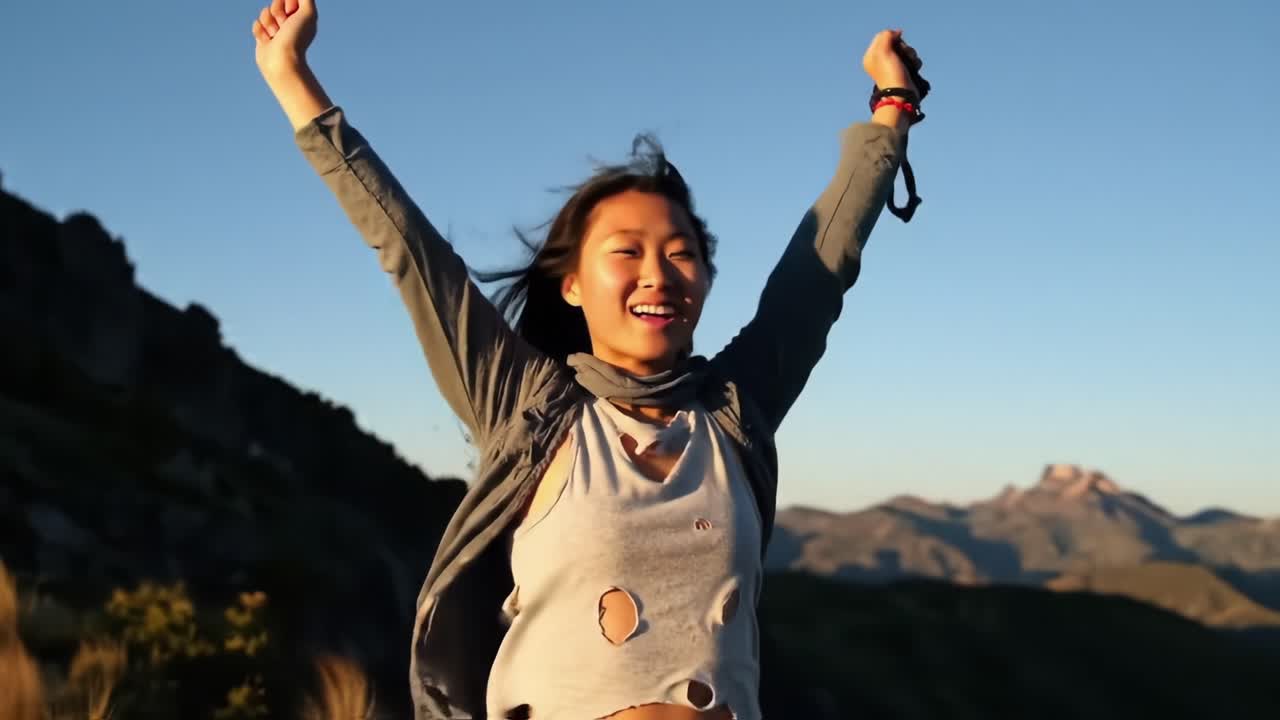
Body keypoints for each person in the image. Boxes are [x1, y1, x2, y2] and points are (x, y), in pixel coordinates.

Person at [251, 1, 922, 718]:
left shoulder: (735, 412)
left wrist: (892, 109)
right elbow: (412, 253)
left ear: (703, 280)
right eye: (626, 252)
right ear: (571, 283)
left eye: (681, 253)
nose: (658, 274)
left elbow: (818, 272)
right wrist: (293, 81)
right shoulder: (529, 405)